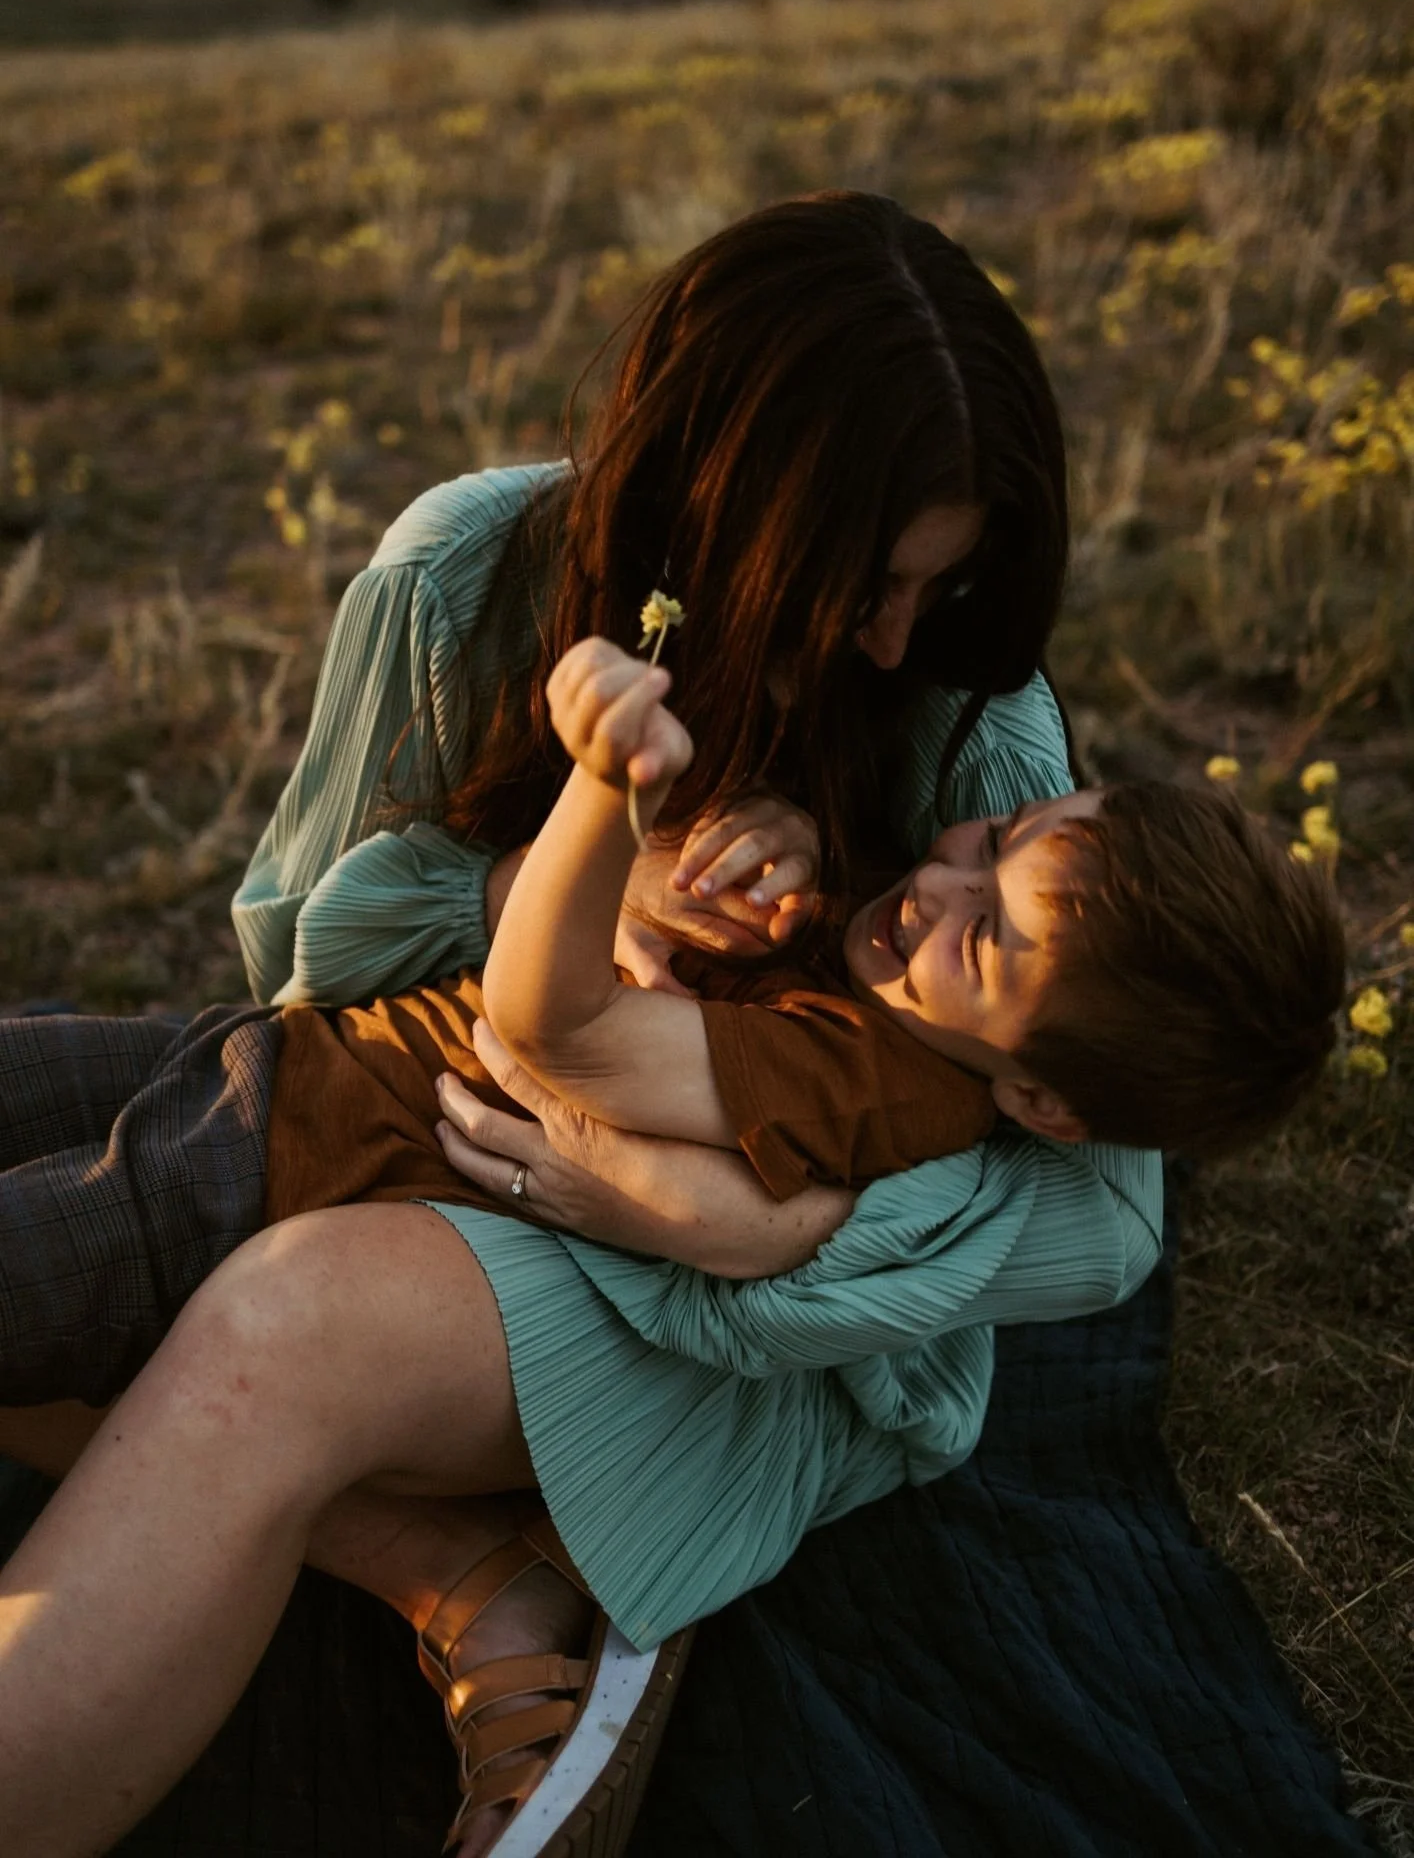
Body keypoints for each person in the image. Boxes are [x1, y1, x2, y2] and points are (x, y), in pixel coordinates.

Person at [0, 189, 1163, 1854]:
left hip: (705, 1290)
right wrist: (572, 887)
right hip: (420, 1113)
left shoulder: (973, 717)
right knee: (103, 1168)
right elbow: (296, 957)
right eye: (862, 582)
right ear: (709, 502)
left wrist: (722, 1222)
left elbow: (1102, 1220)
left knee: (275, 1317)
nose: (900, 636)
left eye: (942, 577)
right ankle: (466, 1571)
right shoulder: (465, 571)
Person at [0, 633, 1343, 1857]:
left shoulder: (881, 1080)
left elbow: (551, 1025)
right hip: (288, 1068)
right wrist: (744, 851)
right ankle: (451, 1566)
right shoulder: (891, 957)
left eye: (983, 932)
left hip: (296, 1165)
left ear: (1042, 1103)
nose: (937, 879)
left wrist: (603, 790)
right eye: (995, 838)